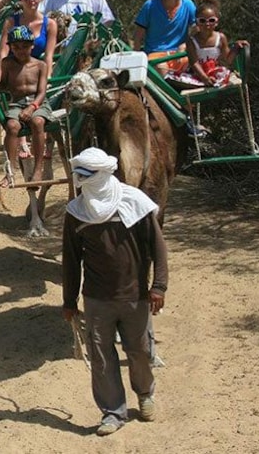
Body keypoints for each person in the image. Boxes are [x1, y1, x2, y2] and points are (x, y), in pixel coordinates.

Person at [62, 147, 167, 437]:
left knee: (139, 351)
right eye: (79, 175)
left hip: (135, 296)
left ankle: (145, 395)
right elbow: (71, 260)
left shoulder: (136, 203)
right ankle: (112, 412)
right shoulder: (76, 212)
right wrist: (69, 301)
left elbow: (158, 249)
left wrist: (158, 286)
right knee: (101, 358)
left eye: (87, 175)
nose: (82, 181)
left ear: (104, 173)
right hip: (96, 299)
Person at [0, 26, 53, 186]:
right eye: (16, 47)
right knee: (12, 126)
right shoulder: (7, 63)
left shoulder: (40, 65)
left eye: (25, 46)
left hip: (37, 102)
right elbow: (5, 84)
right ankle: (10, 171)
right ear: (10, 47)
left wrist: (32, 107)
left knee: (37, 122)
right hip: (17, 102)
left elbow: (41, 92)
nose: (20, 50)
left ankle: (38, 169)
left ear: (32, 46)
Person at [165, 0, 249, 89]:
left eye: (211, 20)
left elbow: (226, 60)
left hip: (216, 72)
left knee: (223, 76)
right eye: (202, 21)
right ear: (197, 22)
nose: (207, 24)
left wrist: (235, 48)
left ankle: (214, 82)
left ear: (217, 22)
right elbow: (194, 62)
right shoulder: (192, 41)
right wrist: (204, 78)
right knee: (175, 78)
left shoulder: (220, 38)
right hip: (199, 74)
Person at [132, 0, 196, 75]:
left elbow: (197, 30)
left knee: (195, 64)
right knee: (161, 68)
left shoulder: (188, 5)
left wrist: (185, 45)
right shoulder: (150, 6)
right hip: (155, 56)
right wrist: (136, 62)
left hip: (179, 55)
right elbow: (138, 37)